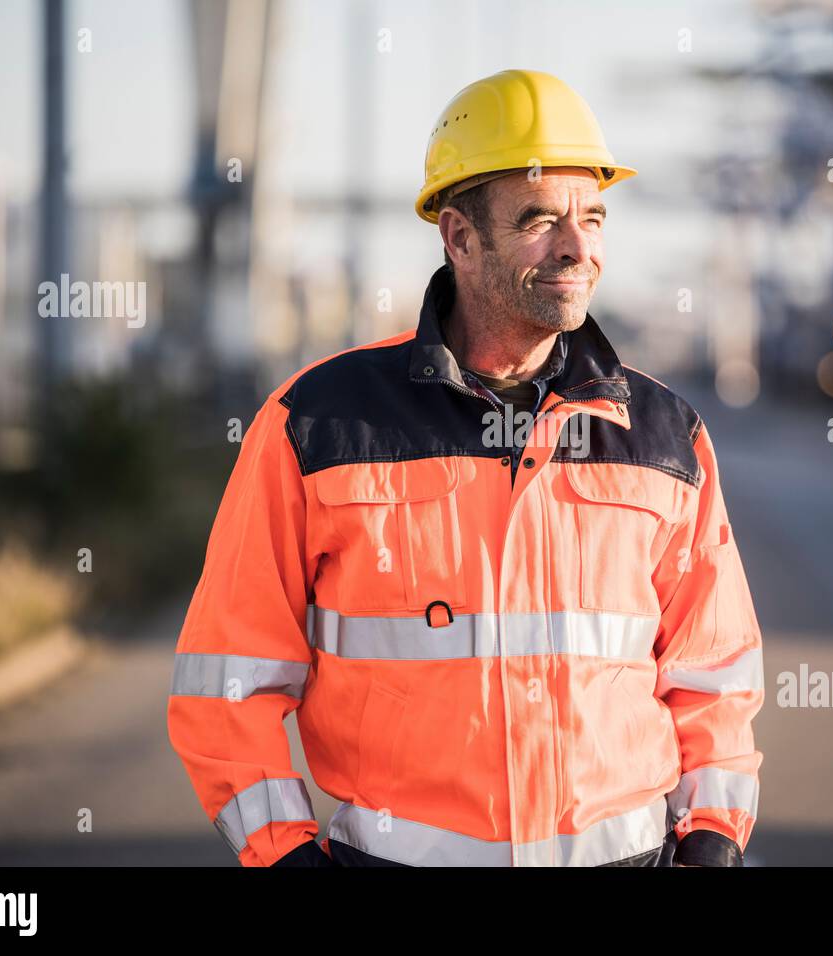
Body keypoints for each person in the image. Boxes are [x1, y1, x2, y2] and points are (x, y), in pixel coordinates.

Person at [167, 69, 765, 868]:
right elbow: (227, 679)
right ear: (458, 236)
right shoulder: (316, 427)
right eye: (540, 220)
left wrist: (713, 843)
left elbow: (715, 677)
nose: (577, 246)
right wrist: (285, 854)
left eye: (592, 216)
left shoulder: (663, 437)